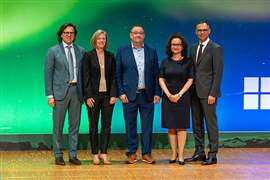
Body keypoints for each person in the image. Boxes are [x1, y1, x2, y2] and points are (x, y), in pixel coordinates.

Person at [115, 25, 161, 164]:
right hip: (129, 96)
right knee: (130, 125)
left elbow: (156, 74)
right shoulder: (122, 51)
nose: (138, 35)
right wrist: (120, 93)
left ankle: (146, 153)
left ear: (144, 35)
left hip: (147, 95)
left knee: (147, 125)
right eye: (135, 33)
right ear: (130, 35)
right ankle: (131, 152)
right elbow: (117, 74)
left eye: (141, 33)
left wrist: (157, 93)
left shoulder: (151, 51)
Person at [45, 23, 85, 165]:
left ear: (74, 34)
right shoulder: (53, 51)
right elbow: (48, 74)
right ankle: (58, 154)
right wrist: (50, 95)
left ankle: (73, 154)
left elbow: (84, 74)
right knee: (58, 126)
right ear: (61, 34)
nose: (69, 35)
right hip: (59, 93)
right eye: (66, 32)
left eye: (72, 32)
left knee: (74, 126)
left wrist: (85, 93)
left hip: (76, 92)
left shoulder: (81, 50)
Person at [185, 20, 223, 165]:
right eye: (199, 30)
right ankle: (199, 152)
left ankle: (213, 154)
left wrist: (213, 93)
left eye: (204, 30)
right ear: (196, 32)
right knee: (196, 123)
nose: (202, 32)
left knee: (211, 124)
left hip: (208, 94)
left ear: (209, 31)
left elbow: (217, 73)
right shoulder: (193, 48)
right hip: (194, 92)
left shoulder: (216, 48)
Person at [83, 30, 116, 165]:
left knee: (106, 126)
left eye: (103, 39)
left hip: (108, 96)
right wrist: (88, 96)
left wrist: (113, 94)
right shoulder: (88, 56)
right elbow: (86, 77)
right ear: (94, 40)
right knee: (93, 126)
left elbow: (114, 77)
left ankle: (104, 153)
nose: (101, 41)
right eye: (99, 39)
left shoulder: (110, 56)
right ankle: (95, 154)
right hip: (93, 97)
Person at [159, 34, 193, 165]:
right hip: (168, 98)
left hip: (183, 97)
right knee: (171, 127)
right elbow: (161, 78)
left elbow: (190, 79)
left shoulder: (188, 61)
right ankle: (173, 154)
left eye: (178, 44)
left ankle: (181, 155)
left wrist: (179, 94)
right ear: (170, 46)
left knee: (182, 126)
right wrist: (168, 94)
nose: (176, 47)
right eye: (173, 44)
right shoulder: (165, 62)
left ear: (182, 46)